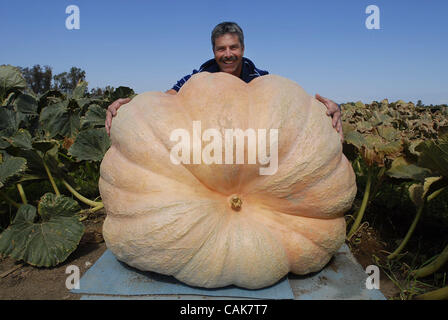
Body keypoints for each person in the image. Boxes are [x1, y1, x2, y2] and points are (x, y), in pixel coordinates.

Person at [105, 22, 343, 141]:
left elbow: (293, 107)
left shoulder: (261, 80)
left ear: (243, 48)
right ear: (213, 51)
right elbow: (164, 100)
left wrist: (328, 108)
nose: (227, 54)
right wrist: (129, 107)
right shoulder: (196, 79)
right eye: (221, 49)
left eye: (233, 47)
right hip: (206, 154)